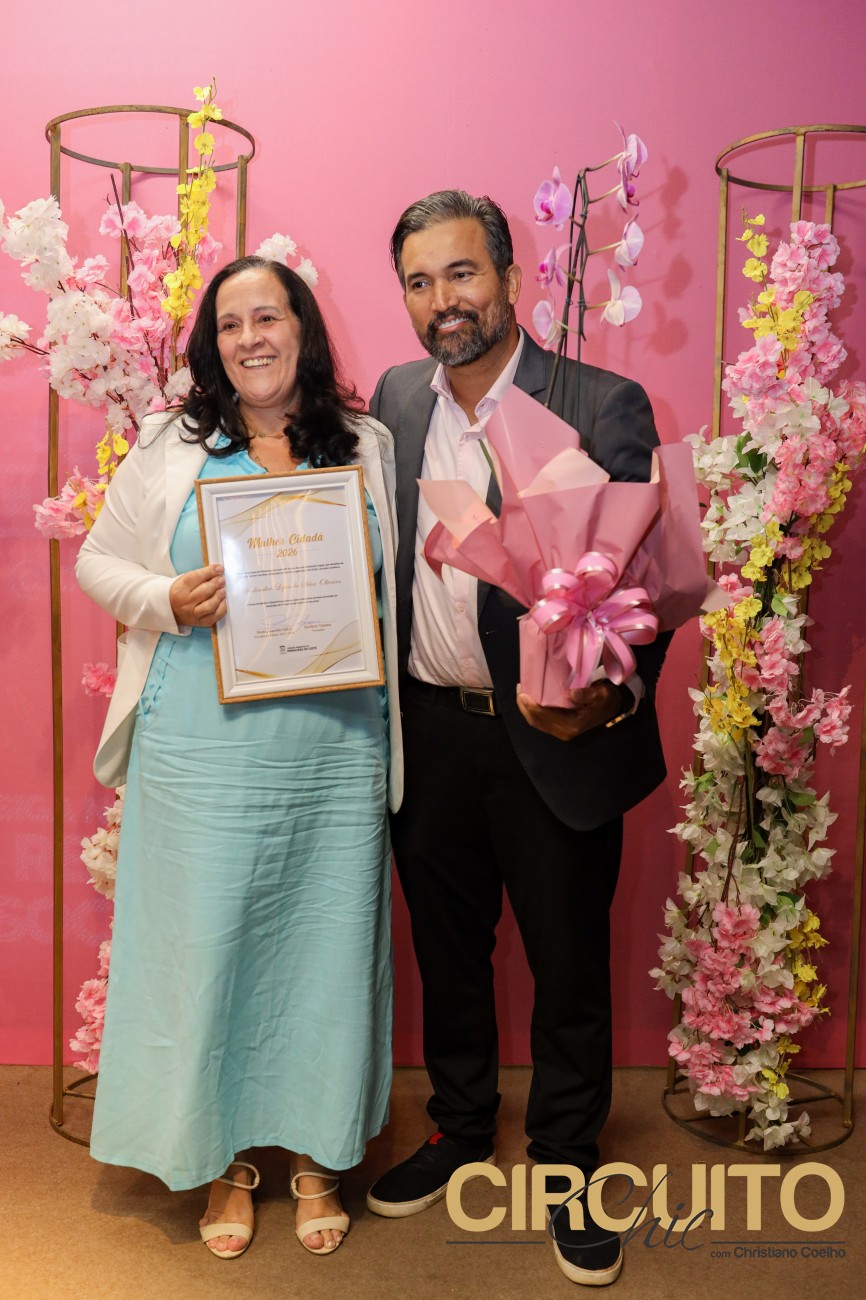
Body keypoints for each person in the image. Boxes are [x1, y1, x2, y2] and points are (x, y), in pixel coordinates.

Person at [363, 191, 669, 1287]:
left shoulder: (599, 402)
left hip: (553, 736)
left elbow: (641, 588)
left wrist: (609, 699)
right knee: (448, 952)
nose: (441, 300)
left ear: (509, 276)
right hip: (431, 731)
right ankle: (458, 1125)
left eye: (460, 273)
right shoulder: (395, 401)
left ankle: (566, 1158)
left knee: (566, 961)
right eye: (418, 282)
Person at [76, 255, 402, 1260]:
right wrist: (165, 599)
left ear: (303, 328)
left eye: (269, 317)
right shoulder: (171, 445)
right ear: (211, 345)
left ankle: (316, 1154)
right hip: (199, 748)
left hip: (335, 749)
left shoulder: (369, 445)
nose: (251, 338)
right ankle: (221, 1157)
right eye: (230, 324)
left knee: (325, 954)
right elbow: (98, 561)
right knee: (206, 948)